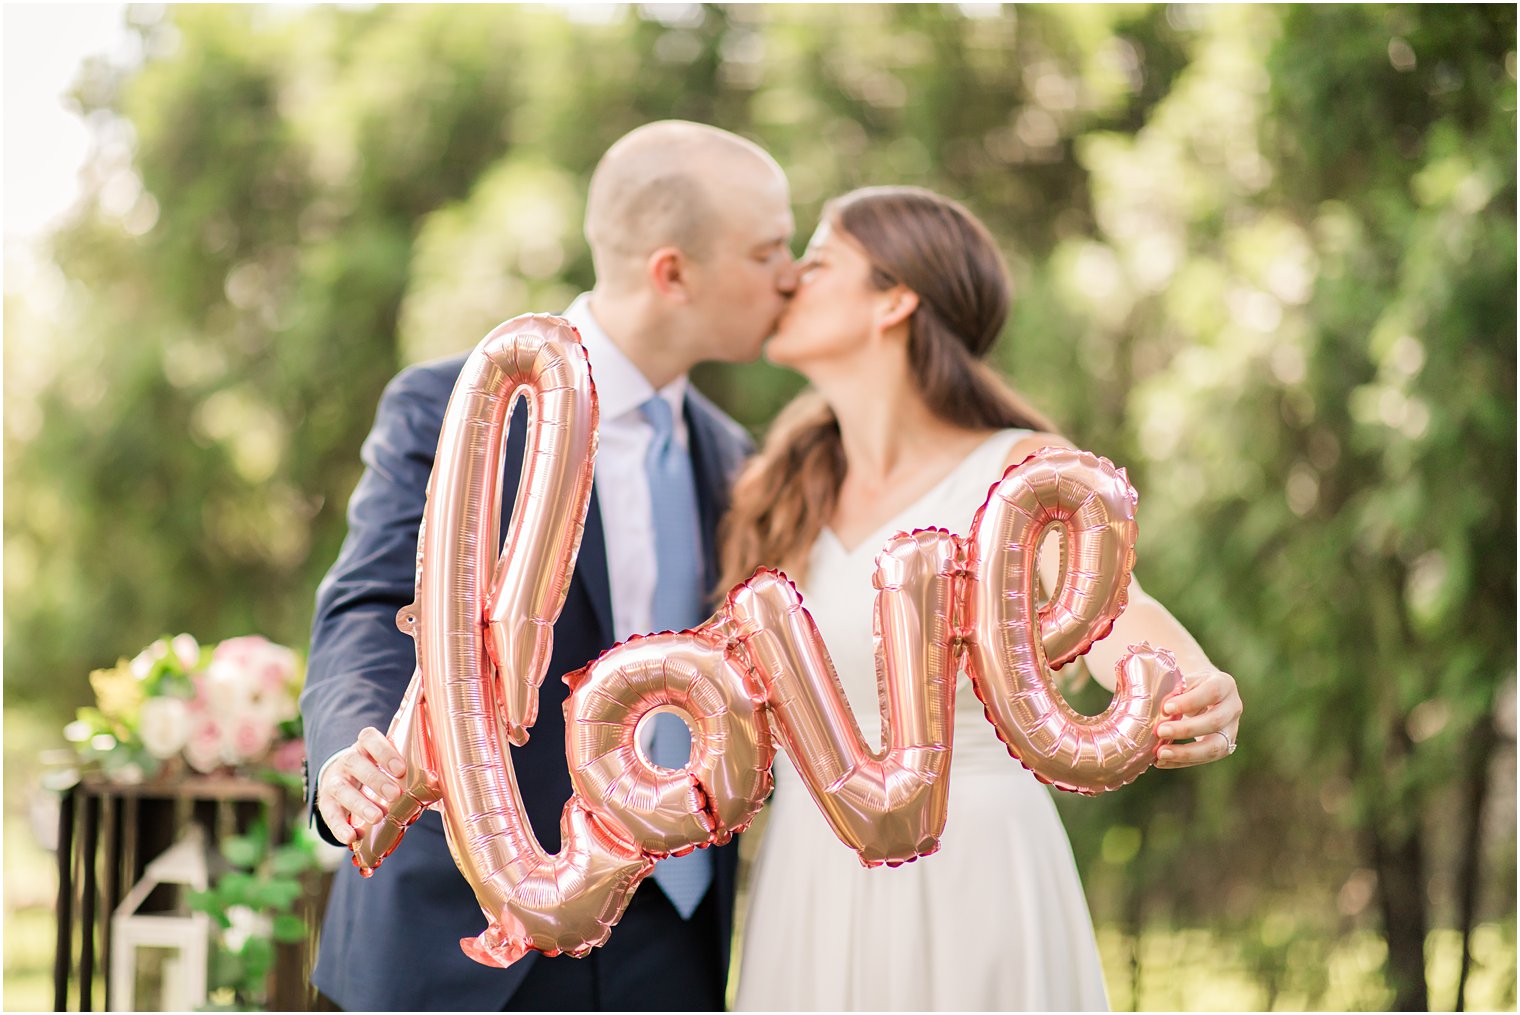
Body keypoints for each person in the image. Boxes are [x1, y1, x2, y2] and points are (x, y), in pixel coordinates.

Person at [299, 120, 797, 1011]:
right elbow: (372, 603)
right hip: (461, 932)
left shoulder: (736, 457)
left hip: (671, 937)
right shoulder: (461, 408)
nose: (790, 275)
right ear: (672, 271)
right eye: (769, 251)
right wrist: (350, 750)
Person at [720, 185, 1244, 1011]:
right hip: (809, 870)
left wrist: (1192, 681)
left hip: (974, 865)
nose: (789, 280)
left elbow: (1116, 613)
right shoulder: (777, 493)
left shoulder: (1018, 470)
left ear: (894, 298)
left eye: (817, 263)